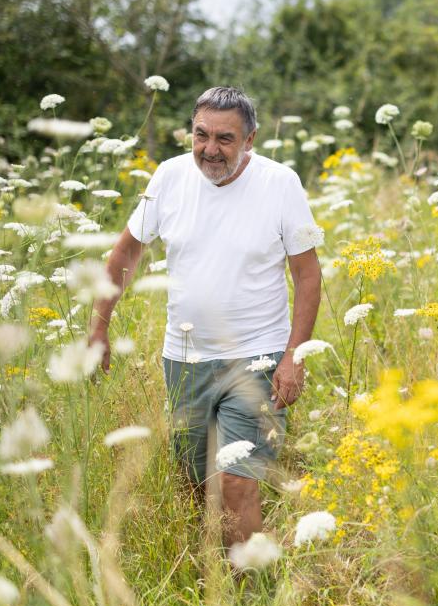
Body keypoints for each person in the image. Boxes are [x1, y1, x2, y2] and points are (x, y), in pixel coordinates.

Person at [88, 86, 322, 551]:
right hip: (184, 358)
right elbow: (126, 252)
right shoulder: (170, 177)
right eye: (201, 135)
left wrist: (293, 354)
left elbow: (307, 274)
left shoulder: (281, 184)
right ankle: (211, 576)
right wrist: (98, 327)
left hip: (256, 357)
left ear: (250, 140)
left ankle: (248, 594)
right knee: (196, 483)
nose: (210, 150)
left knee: (237, 483)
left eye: (225, 139)